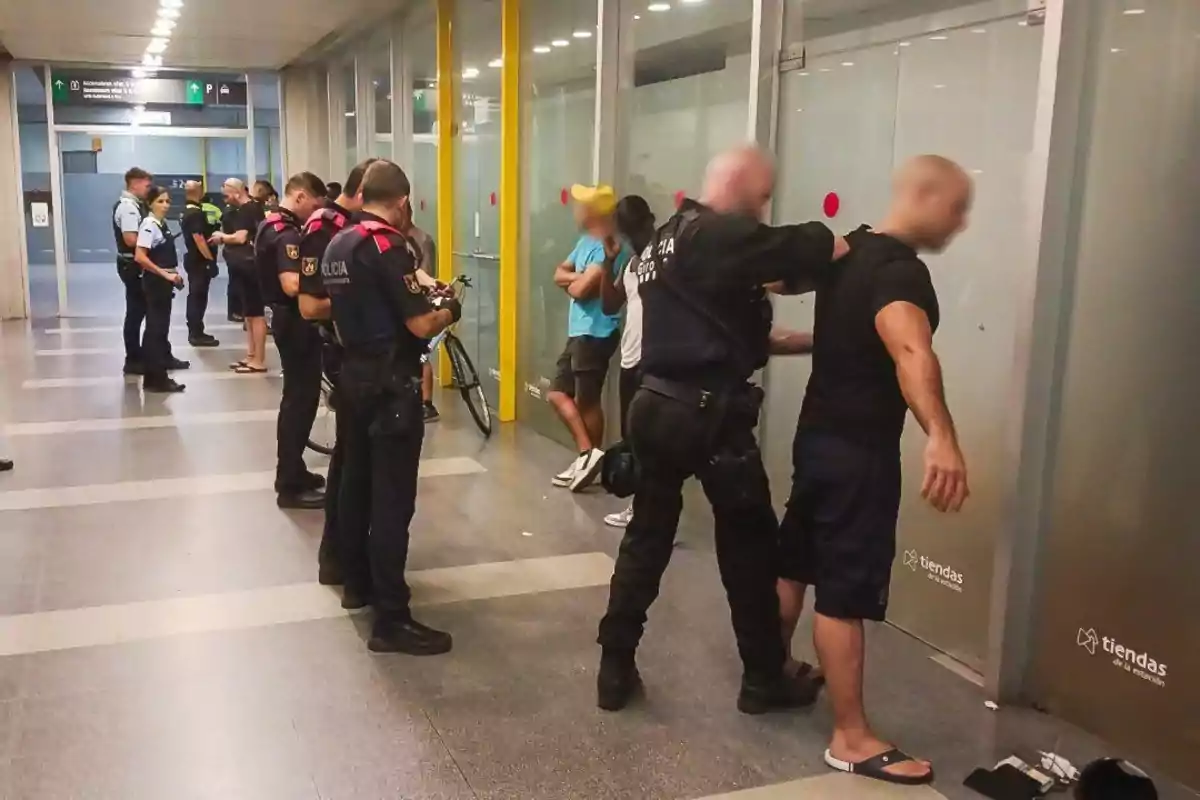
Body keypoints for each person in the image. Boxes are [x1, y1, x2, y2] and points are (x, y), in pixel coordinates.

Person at [594, 145, 848, 716]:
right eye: (761, 198)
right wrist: (849, 245)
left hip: (655, 405)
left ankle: (614, 667)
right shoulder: (713, 233)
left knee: (647, 539)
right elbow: (804, 244)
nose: (763, 209)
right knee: (750, 548)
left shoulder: (667, 237)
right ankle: (763, 678)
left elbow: (727, 325)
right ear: (740, 193)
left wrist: (815, 339)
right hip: (707, 417)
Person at [776, 155, 971, 786]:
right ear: (923, 195)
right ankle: (851, 736)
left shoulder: (849, 251)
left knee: (795, 561)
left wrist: (797, 341)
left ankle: (767, 673)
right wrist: (940, 435)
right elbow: (909, 347)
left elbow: (845, 326)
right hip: (859, 453)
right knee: (844, 589)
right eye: (957, 206)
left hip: (816, 440)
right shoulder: (899, 272)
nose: (961, 222)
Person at [322, 159, 461, 654]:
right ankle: (391, 618)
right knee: (392, 501)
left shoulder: (339, 242)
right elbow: (422, 325)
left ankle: (356, 584)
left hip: (353, 377)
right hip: (390, 385)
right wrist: (450, 308)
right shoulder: (387, 246)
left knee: (355, 486)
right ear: (402, 202)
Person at [298, 159, 377, 586]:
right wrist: (373, 300)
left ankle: (343, 556)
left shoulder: (355, 229)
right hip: (346, 358)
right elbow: (310, 306)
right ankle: (341, 559)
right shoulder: (325, 228)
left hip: (361, 356)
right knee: (351, 467)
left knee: (354, 465)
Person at [548, 184, 631, 492]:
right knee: (558, 393)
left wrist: (575, 282)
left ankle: (588, 458)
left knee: (587, 401)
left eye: (581, 205)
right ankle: (588, 453)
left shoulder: (614, 247)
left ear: (594, 212)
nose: (575, 210)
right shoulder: (585, 242)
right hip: (579, 331)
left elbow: (582, 290)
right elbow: (560, 275)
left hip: (597, 333)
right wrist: (576, 279)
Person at [255, 172, 329, 510]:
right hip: (295, 322)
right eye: (312, 206)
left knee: (298, 399)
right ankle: (289, 483)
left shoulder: (269, 223)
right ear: (299, 196)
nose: (313, 214)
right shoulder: (286, 233)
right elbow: (292, 284)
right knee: (300, 402)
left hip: (283, 320)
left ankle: (295, 470)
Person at [597, 195, 657, 529]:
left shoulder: (662, 260)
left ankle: (651, 512)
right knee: (632, 437)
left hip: (654, 362)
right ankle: (640, 506)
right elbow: (609, 304)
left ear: (649, 222)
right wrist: (609, 262)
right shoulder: (632, 264)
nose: (632, 237)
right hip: (630, 361)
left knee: (650, 441)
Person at [133, 185, 188, 394]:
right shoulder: (149, 225)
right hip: (156, 283)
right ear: (150, 203)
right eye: (160, 201)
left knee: (159, 330)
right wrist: (165, 274)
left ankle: (153, 376)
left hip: (165, 281)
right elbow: (140, 256)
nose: (165, 205)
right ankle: (157, 378)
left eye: (167, 201)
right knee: (155, 330)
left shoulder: (160, 224)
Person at [212, 179, 268, 373]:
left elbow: (240, 237)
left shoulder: (248, 210)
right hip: (244, 268)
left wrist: (221, 237)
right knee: (249, 314)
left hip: (251, 267)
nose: (227, 200)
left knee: (256, 314)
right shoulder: (249, 209)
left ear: (236, 192)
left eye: (227, 195)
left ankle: (258, 359)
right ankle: (251, 354)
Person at [398, 200, 442, 422]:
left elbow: (426, 274)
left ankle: (426, 403)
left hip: (417, 301)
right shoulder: (392, 239)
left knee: (421, 355)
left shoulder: (421, 240)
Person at [113, 167, 152, 375]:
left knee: (139, 310)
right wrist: (152, 242)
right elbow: (130, 239)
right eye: (146, 186)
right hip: (132, 265)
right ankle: (133, 359)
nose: (148, 190)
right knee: (136, 312)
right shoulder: (128, 208)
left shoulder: (135, 206)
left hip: (132, 264)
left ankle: (138, 355)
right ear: (134, 184)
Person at [180, 181, 220, 347]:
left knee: (195, 296)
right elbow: (199, 238)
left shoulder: (186, 211)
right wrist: (210, 260)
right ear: (199, 192)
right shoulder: (196, 214)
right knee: (198, 296)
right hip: (199, 261)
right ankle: (196, 333)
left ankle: (196, 330)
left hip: (192, 259)